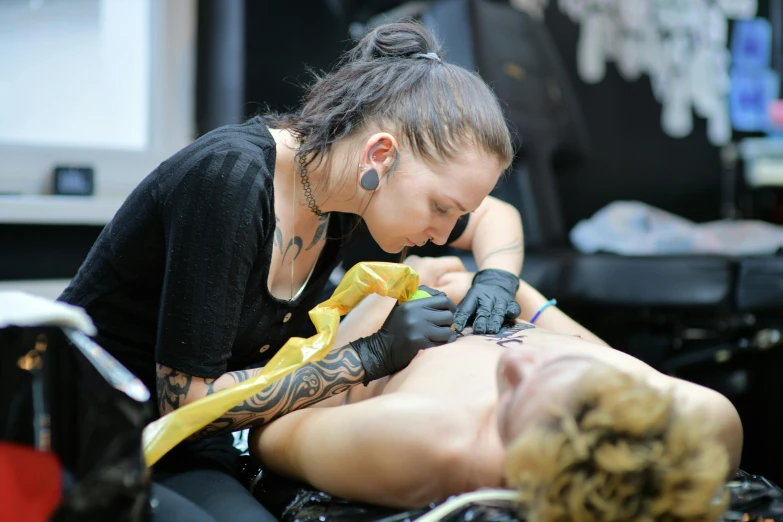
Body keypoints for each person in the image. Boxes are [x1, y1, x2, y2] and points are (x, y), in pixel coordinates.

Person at [57, 20, 524, 522]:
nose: (443, 232)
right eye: (440, 208)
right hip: (85, 431)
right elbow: (186, 402)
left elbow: (498, 216)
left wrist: (497, 278)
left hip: (190, 444)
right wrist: (370, 355)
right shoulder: (230, 182)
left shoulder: (349, 188)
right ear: (380, 155)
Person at [250, 257, 744, 521]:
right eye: (562, 362)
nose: (517, 361)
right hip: (479, 289)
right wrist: (514, 290)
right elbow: (608, 355)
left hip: (380, 311)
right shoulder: (702, 416)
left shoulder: (429, 442)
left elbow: (271, 430)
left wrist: (373, 329)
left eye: (512, 395)